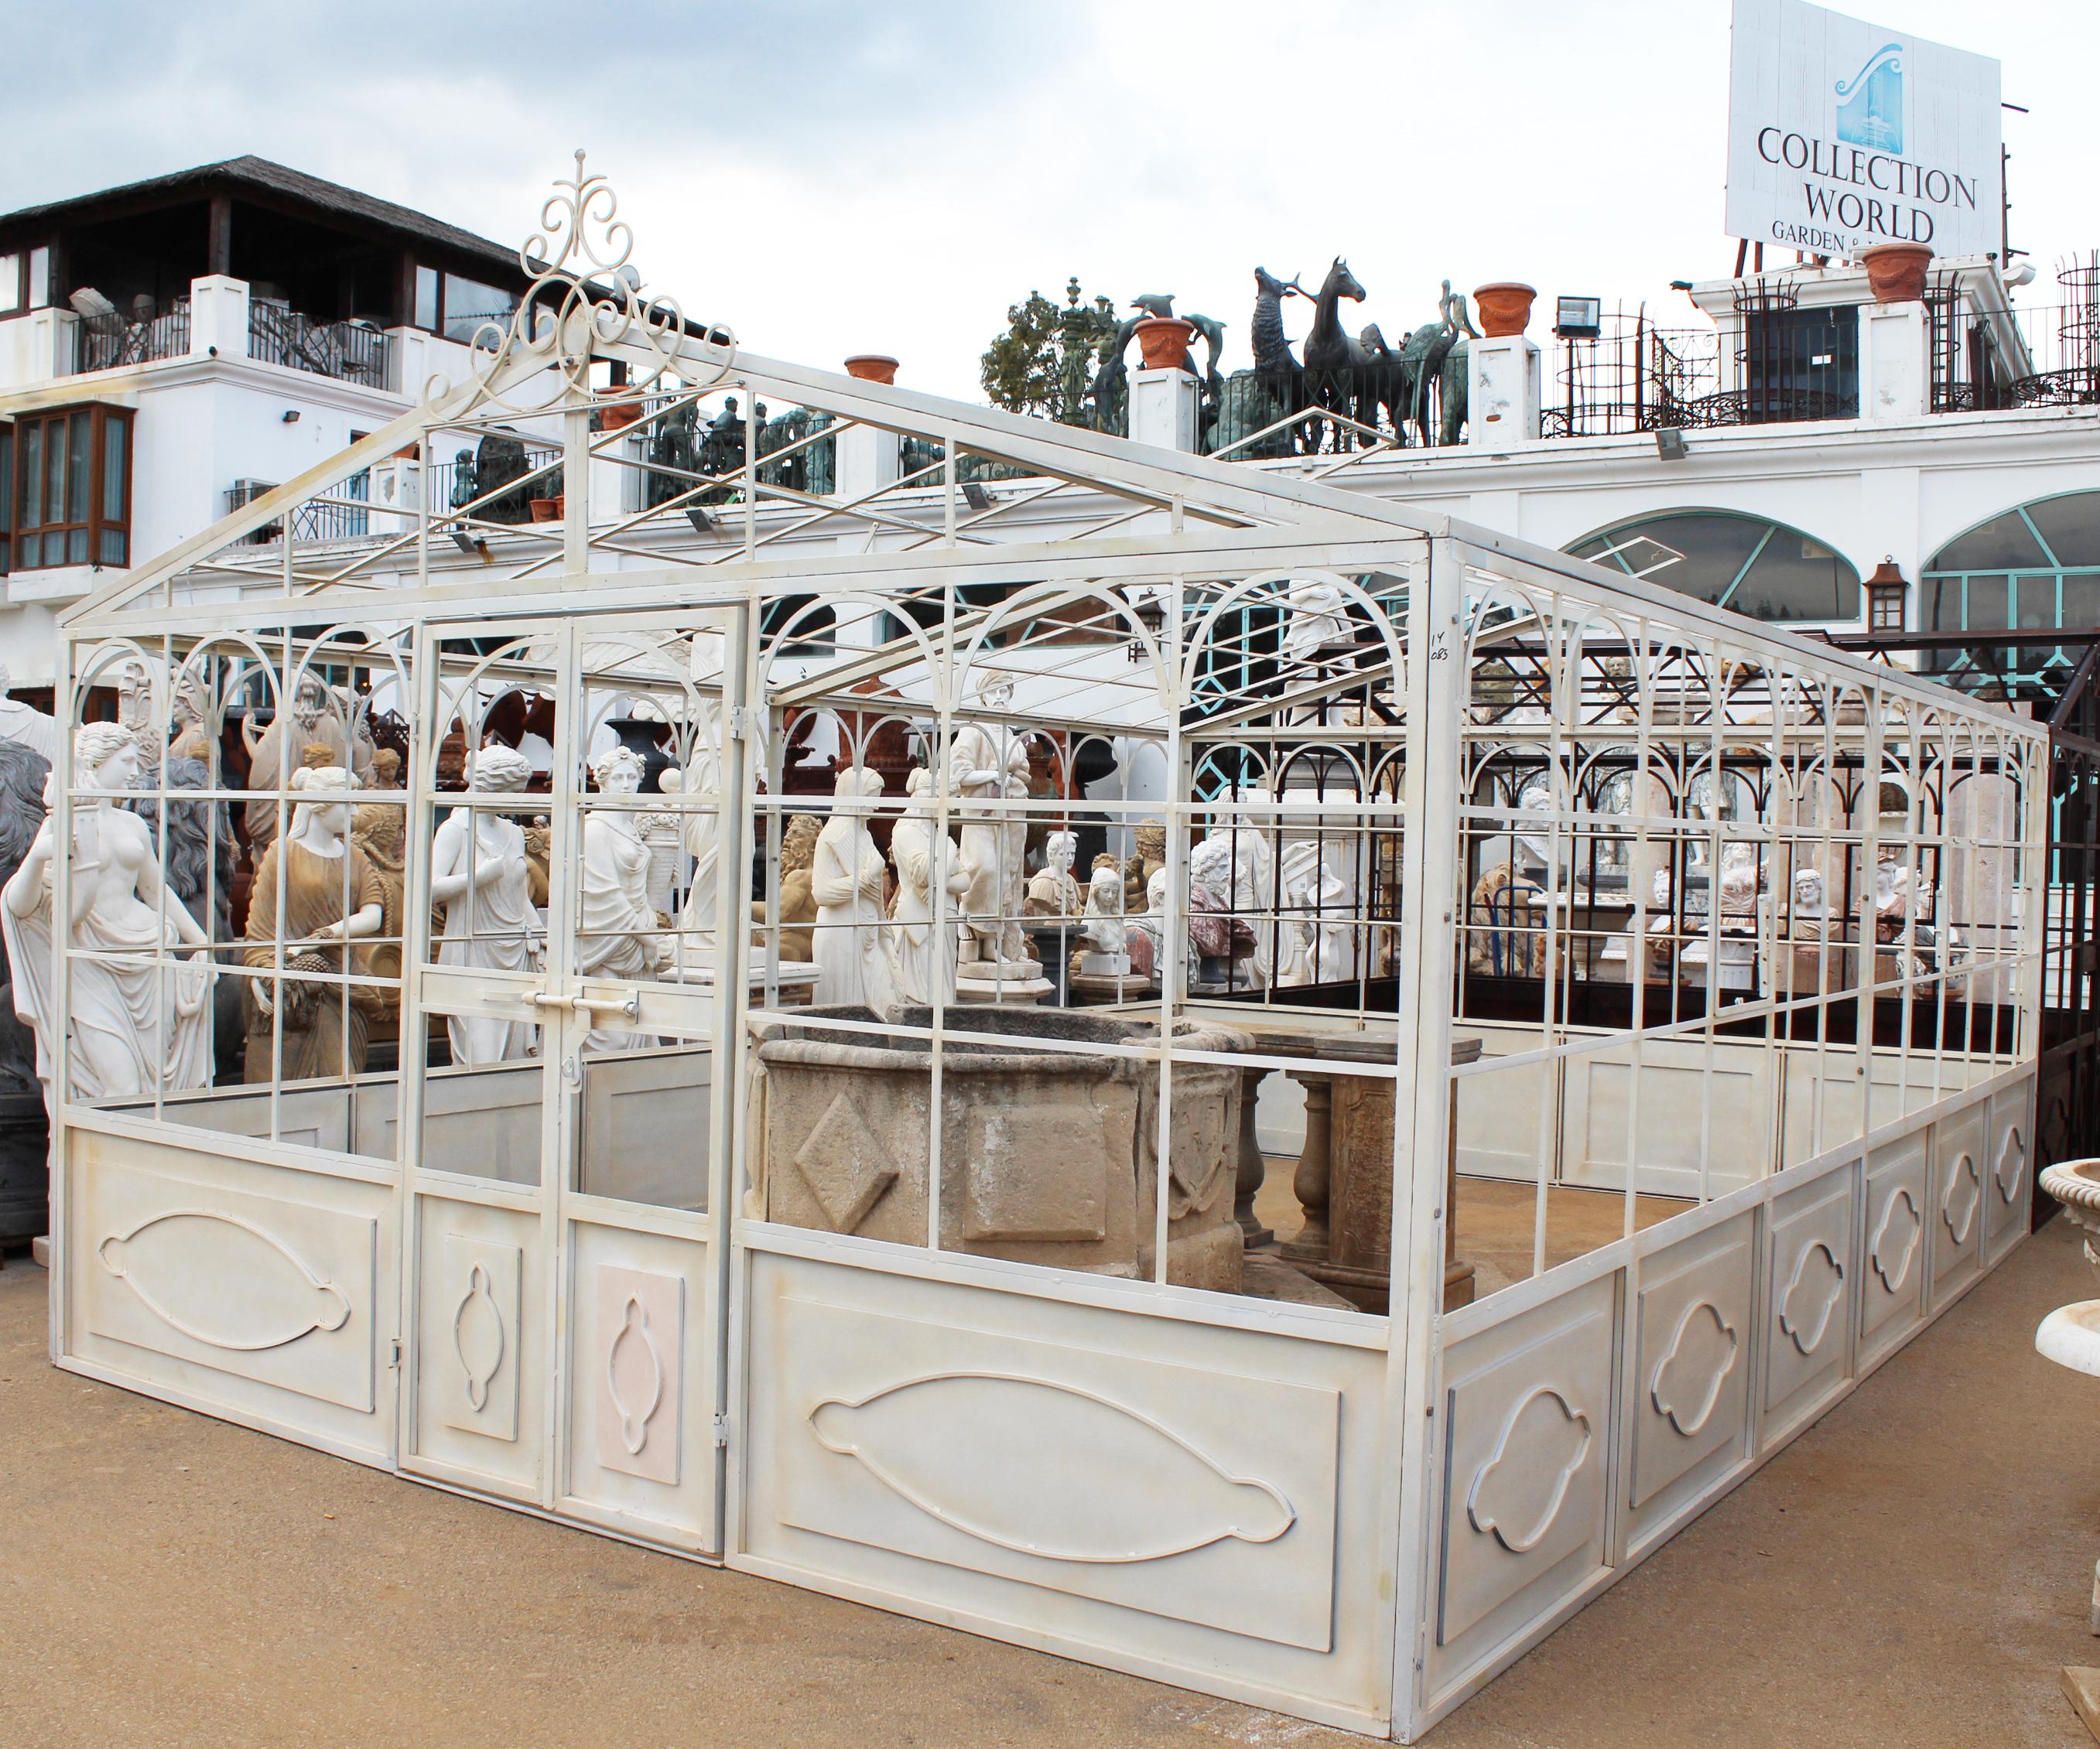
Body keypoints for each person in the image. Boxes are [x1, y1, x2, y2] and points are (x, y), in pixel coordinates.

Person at [2, 724, 214, 1113]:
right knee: (121, 1084)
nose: (136, 771)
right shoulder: (61, 824)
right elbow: (20, 905)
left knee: (153, 1089)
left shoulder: (132, 823)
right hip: (90, 963)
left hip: (149, 959)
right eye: (127, 761)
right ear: (97, 764)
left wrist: (200, 942)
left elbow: (154, 890)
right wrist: (36, 857)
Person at [241, 760, 386, 1083]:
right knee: (292, 1078)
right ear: (321, 806)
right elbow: (261, 924)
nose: (356, 813)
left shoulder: (355, 856)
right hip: (298, 982)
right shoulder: (284, 853)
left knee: (342, 1078)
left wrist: (322, 936)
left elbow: (372, 915)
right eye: (347, 804)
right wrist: (261, 971)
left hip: (343, 979)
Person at [431, 746, 542, 1065]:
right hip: (474, 951)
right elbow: (432, 889)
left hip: (515, 950)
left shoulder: (512, 832)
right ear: (489, 787)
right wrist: (478, 877)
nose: (516, 801)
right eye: (511, 792)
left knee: (517, 1056)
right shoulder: (455, 830)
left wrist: (540, 934)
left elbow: (520, 896)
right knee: (482, 1055)